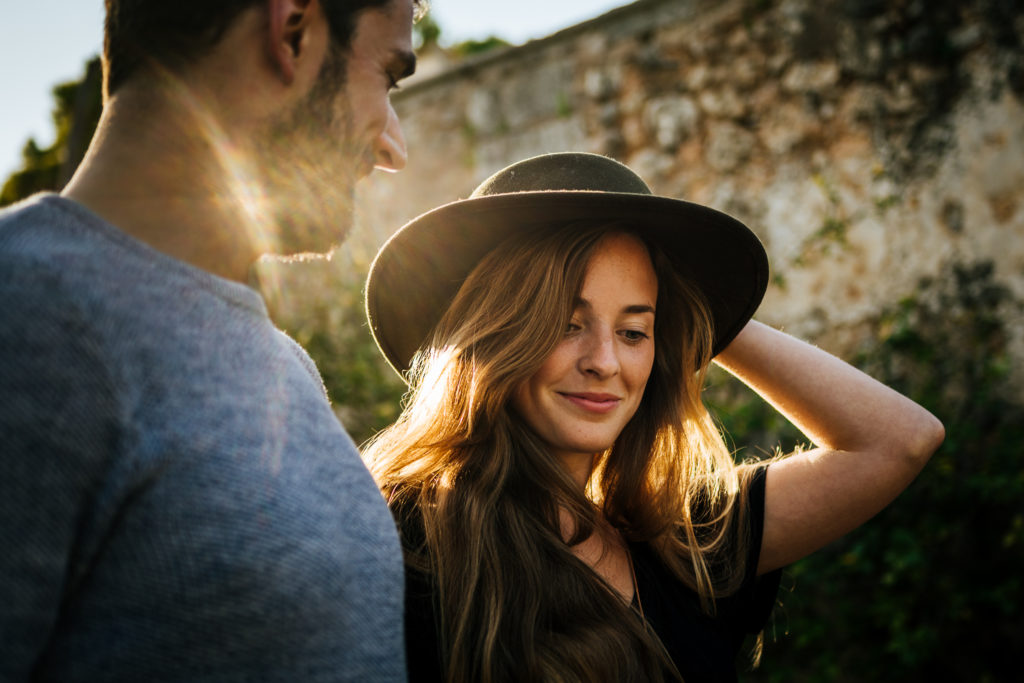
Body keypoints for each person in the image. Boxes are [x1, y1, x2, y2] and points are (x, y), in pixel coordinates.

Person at [361, 152, 946, 682]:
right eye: (566, 323)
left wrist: (698, 307)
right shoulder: (407, 538)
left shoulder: (683, 545)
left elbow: (901, 440)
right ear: (494, 337)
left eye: (634, 331)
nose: (605, 362)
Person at [0, 0, 424, 679]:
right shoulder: (25, 313)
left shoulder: (285, 365)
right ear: (292, 29)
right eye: (388, 77)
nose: (392, 147)